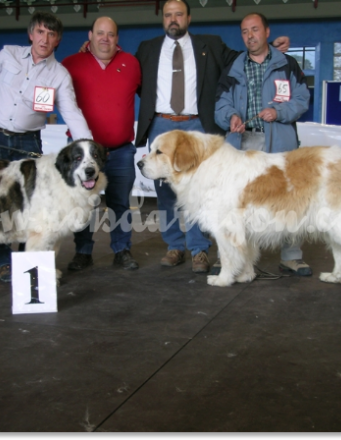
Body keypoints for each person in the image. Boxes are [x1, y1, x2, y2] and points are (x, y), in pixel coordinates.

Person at [134, 0, 289, 274]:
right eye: (168, 15)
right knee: (165, 191)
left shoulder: (211, 45)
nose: (173, 19)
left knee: (200, 191)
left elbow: (243, 58)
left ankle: (199, 250)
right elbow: (129, 77)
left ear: (188, 18)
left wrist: (271, 47)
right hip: (161, 124)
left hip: (198, 126)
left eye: (178, 14)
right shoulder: (147, 48)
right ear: (163, 19)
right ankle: (174, 246)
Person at [0, 11, 93, 284]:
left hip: (27, 142)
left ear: (58, 40)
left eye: (52, 34)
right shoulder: (8, 54)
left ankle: (27, 263)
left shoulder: (59, 75)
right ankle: (2, 262)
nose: (45, 39)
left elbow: (72, 112)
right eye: (41, 32)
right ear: (31, 34)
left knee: (28, 206)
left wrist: (88, 145)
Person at [215, 12, 312, 276]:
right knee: (237, 203)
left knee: (289, 199)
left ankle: (291, 256)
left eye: (255, 30)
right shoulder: (233, 67)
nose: (250, 36)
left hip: (280, 142)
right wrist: (231, 116)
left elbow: (302, 100)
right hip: (243, 144)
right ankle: (235, 256)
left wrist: (279, 113)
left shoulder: (287, 64)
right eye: (245, 32)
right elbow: (221, 104)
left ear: (267, 32)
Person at [61, 17, 141, 272]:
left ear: (117, 38)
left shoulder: (132, 63)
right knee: (83, 203)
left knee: (119, 202)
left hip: (120, 150)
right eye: (100, 33)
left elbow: (150, 95)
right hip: (82, 155)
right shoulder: (70, 64)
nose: (105, 39)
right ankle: (83, 252)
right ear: (90, 35)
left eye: (111, 34)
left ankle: (122, 250)